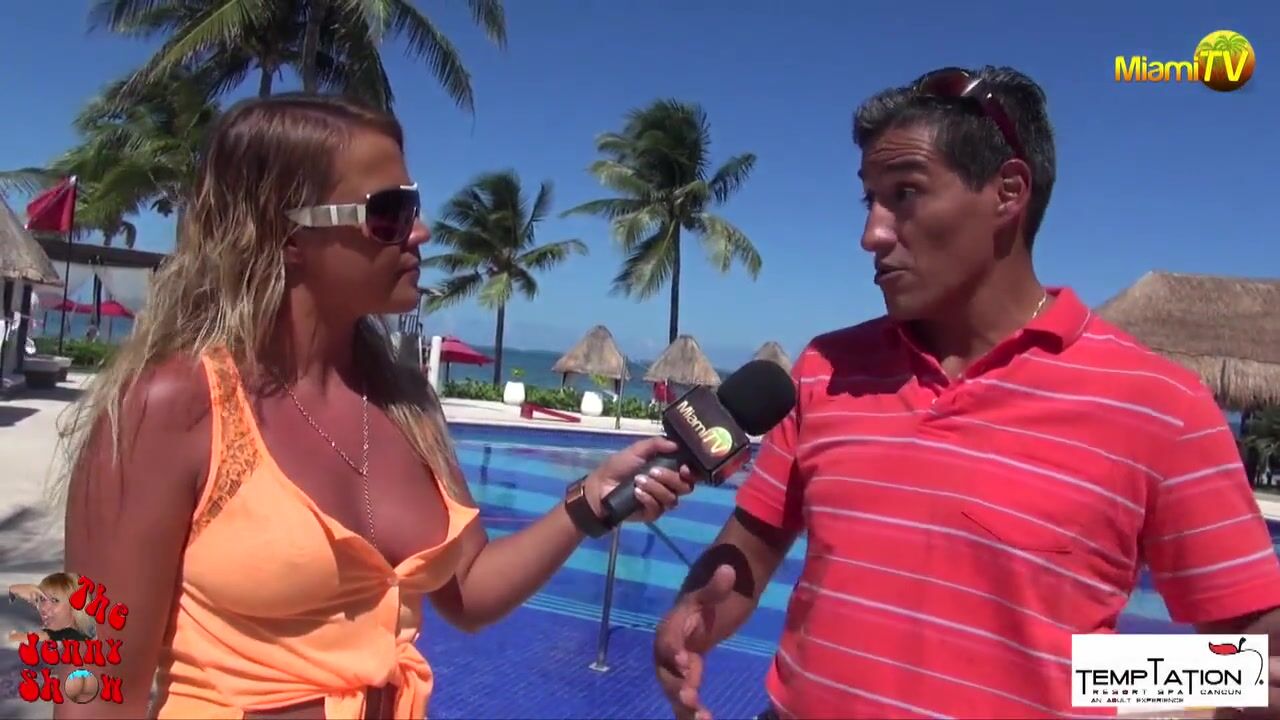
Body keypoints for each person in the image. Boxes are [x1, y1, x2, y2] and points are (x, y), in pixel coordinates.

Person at [653, 65, 1280, 720]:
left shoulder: (1158, 406)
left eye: (905, 193)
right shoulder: (827, 368)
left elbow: (1258, 663)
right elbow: (753, 541)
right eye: (869, 200)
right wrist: (692, 612)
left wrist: (1078, 677)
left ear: (1007, 192)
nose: (871, 234)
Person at [54, 93, 695, 720]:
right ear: (288, 234)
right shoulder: (172, 407)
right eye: (389, 213)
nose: (421, 231)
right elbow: (91, 689)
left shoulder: (406, 404)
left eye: (412, 207)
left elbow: (468, 591)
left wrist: (587, 504)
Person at [7, 572, 95, 644]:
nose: (43, 608)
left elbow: (47, 636)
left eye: (55, 600)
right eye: (42, 599)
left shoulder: (74, 636)